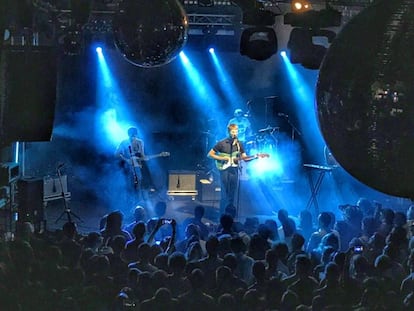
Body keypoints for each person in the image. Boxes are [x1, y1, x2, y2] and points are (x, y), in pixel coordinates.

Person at [207, 123, 262, 216]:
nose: (234, 134)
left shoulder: (239, 144)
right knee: (225, 192)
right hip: (224, 169)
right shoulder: (221, 143)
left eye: (236, 132)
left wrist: (255, 157)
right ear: (228, 132)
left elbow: (244, 157)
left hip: (234, 170)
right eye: (233, 132)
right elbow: (210, 154)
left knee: (232, 192)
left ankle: (231, 214)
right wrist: (223, 158)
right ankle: (222, 214)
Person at [115, 127, 148, 208]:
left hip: (137, 166)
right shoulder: (124, 142)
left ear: (136, 134)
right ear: (128, 134)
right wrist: (126, 160)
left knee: (139, 182)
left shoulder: (140, 142)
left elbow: (142, 154)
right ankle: (129, 202)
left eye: (134, 135)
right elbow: (116, 153)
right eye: (131, 135)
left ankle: (139, 201)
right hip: (127, 167)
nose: (133, 137)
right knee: (129, 183)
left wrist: (143, 158)